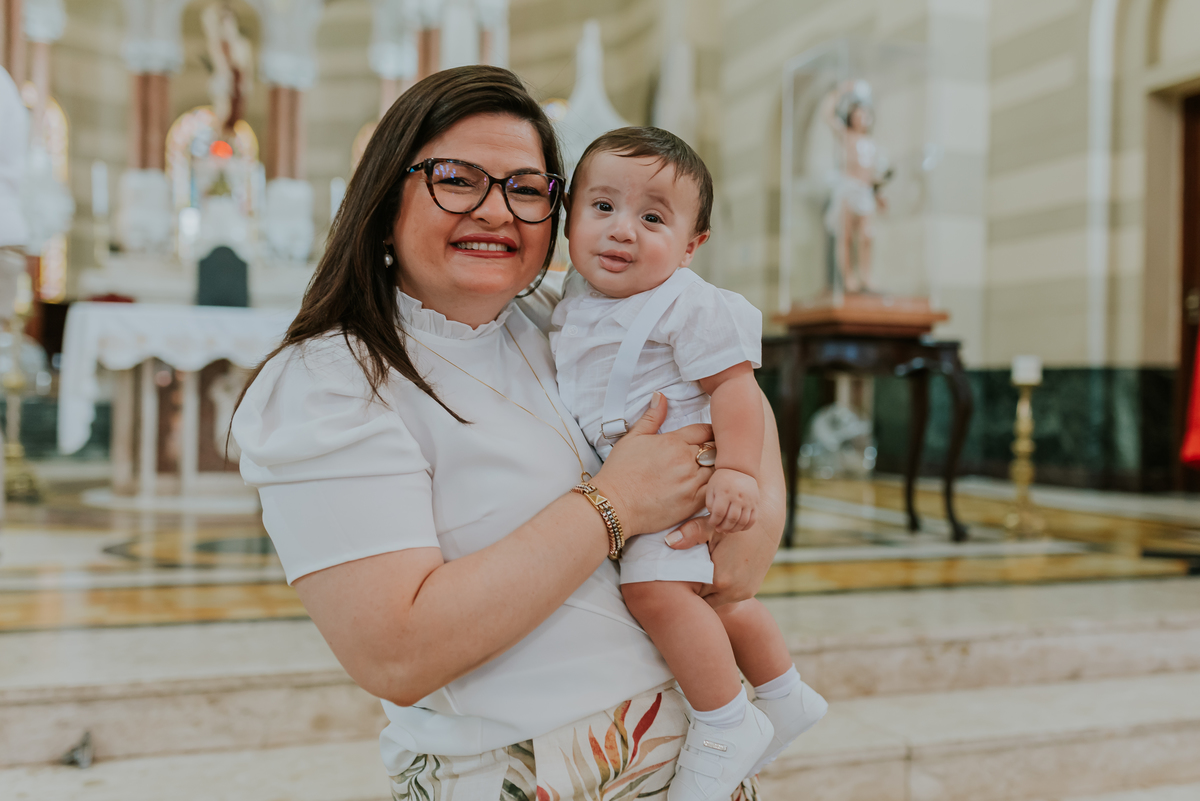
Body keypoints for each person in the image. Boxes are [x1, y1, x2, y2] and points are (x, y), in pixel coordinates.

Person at [231, 66, 785, 800]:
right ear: (383, 197)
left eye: (526, 188)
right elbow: (394, 651)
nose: (497, 212)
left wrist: (739, 501)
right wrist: (612, 503)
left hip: (695, 748)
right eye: (457, 178)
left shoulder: (571, 322)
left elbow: (743, 516)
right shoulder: (329, 381)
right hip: (523, 770)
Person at [551, 128, 827, 801]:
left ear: (691, 245)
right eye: (603, 207)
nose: (622, 231)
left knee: (656, 592)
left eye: (652, 217)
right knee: (717, 600)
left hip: (684, 484)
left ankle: (725, 719)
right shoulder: (572, 300)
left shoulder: (688, 302)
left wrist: (736, 471)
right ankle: (786, 694)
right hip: (637, 480)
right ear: (569, 221)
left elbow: (735, 389)